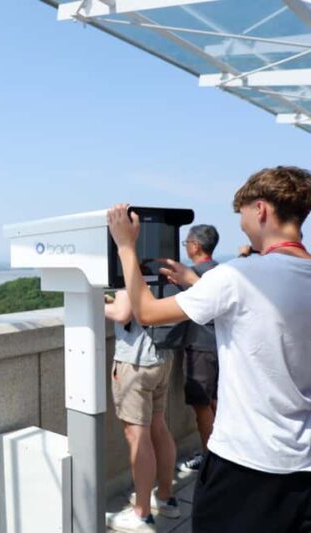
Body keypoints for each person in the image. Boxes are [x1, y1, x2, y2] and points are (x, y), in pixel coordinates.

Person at [107, 166, 311, 533]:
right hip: (302, 465)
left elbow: (146, 312)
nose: (242, 225)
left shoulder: (238, 276)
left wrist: (125, 246)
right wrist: (194, 281)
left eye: (242, 215)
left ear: (261, 210)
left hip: (245, 464)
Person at [105, 290, 181, 532]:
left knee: (138, 436)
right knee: (159, 426)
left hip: (136, 362)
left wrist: (94, 302)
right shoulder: (156, 272)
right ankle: (166, 498)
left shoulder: (131, 274)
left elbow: (122, 313)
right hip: (162, 356)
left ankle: (142, 513)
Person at [176, 225, 220, 473]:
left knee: (202, 406)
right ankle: (218, 457)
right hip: (221, 346)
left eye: (186, 243)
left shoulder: (191, 276)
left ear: (195, 245)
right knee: (215, 404)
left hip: (200, 347)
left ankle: (209, 461)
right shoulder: (222, 272)